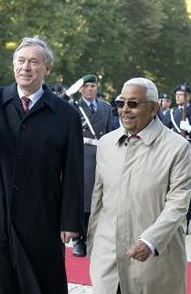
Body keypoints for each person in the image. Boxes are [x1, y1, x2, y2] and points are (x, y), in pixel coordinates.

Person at [0, 36, 84, 294]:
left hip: (40, 214)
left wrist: (70, 221)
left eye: (33, 62)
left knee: (37, 280)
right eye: (20, 61)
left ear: (47, 68)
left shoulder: (65, 114)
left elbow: (73, 172)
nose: (25, 67)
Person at [87, 78, 191, 294]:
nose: (125, 110)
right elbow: (98, 199)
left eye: (133, 104)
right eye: (120, 103)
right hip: (108, 261)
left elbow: (178, 205)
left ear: (153, 108)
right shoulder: (106, 143)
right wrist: (94, 247)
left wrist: (150, 241)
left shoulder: (177, 147)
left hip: (154, 260)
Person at [71, 74, 113, 257]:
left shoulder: (106, 108)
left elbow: (111, 133)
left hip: (101, 156)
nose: (90, 89)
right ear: (80, 89)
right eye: (86, 86)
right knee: (81, 199)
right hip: (81, 155)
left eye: (93, 86)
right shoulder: (74, 107)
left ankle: (92, 236)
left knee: (97, 199)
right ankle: (77, 239)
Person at [163, 84, 191, 232]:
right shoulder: (170, 113)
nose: (178, 97)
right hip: (172, 151)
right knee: (171, 185)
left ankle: (187, 219)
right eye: (177, 95)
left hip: (189, 150)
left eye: (181, 95)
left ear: (188, 97)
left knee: (187, 185)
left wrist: (190, 129)